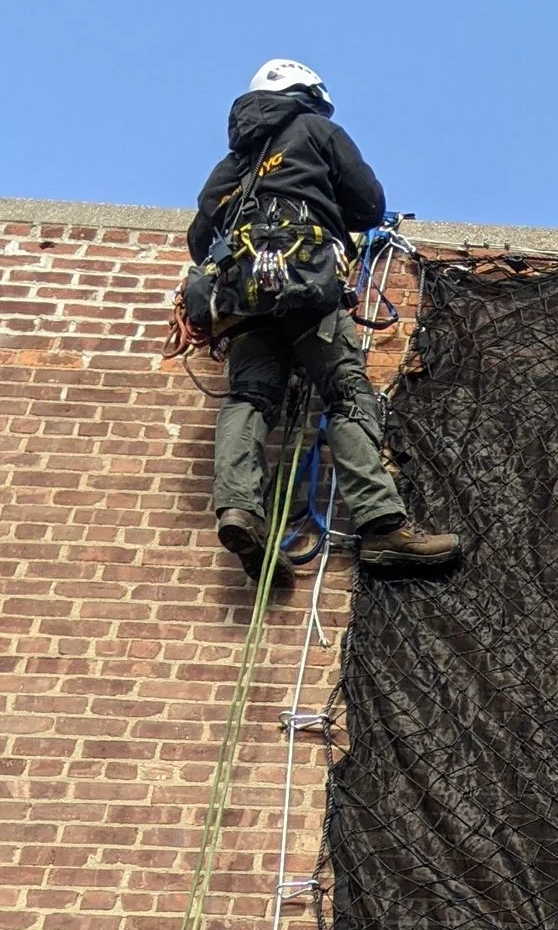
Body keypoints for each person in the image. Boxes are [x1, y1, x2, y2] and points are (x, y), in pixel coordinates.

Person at [188, 61, 462, 582]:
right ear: (308, 94)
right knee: (346, 394)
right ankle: (383, 527)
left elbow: (201, 236)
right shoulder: (317, 130)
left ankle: (240, 509)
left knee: (250, 398)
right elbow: (368, 204)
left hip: (243, 301)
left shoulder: (232, 163)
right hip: (310, 290)